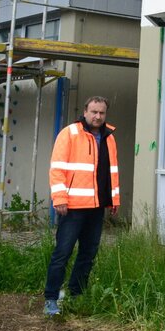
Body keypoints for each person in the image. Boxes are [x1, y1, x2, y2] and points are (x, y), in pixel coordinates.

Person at [43, 95, 120, 316]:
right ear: (85, 111)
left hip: (96, 207)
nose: (97, 116)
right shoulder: (69, 133)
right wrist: (59, 199)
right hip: (72, 207)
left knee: (88, 253)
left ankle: (76, 294)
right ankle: (51, 298)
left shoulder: (109, 137)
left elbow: (112, 171)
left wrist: (114, 199)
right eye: (94, 112)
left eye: (102, 113)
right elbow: (57, 169)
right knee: (63, 253)